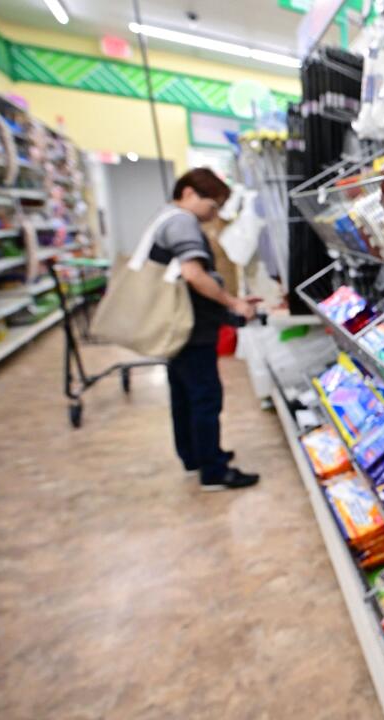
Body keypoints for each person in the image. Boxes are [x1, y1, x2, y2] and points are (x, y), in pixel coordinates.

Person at [152, 168, 260, 491]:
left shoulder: (164, 218)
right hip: (190, 328)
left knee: (183, 394)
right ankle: (213, 471)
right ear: (188, 194)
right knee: (205, 396)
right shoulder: (182, 221)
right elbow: (194, 275)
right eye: (212, 206)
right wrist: (232, 303)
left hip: (175, 326)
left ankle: (195, 455)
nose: (214, 215)